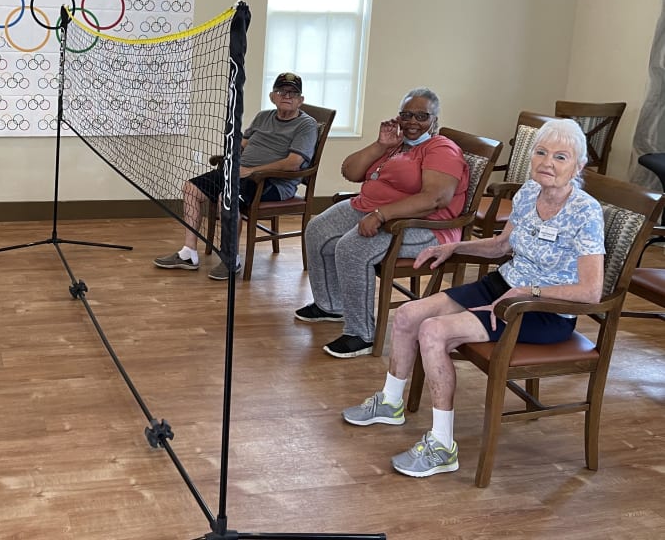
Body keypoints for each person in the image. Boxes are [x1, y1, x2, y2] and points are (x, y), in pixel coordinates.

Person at [341, 118, 605, 478]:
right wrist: (454, 247)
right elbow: (501, 245)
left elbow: (591, 293)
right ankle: (390, 402)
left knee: (434, 332)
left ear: (579, 166)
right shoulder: (529, 191)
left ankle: (442, 446)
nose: (548, 163)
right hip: (505, 285)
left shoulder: (586, 212)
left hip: (545, 309)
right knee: (407, 315)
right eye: (541, 153)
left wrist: (530, 291)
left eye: (561, 157)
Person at [295, 87, 470, 358]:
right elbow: (350, 171)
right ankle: (330, 305)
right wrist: (381, 144)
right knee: (318, 229)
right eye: (406, 115)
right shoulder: (396, 144)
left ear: (435, 119)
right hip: (370, 207)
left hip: (423, 225)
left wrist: (381, 215)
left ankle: (361, 334)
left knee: (352, 248)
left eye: (421, 116)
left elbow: (436, 198)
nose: (412, 122)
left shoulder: (441, 149)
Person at [154, 72, 318, 280]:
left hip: (271, 181)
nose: (287, 96)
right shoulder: (263, 116)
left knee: (227, 198)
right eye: (281, 91)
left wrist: (252, 171)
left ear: (301, 100)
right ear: (272, 96)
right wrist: (230, 156)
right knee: (190, 188)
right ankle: (188, 253)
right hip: (240, 173)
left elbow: (294, 164)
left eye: (293, 93)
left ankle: (231, 259)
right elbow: (244, 144)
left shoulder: (306, 125)